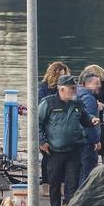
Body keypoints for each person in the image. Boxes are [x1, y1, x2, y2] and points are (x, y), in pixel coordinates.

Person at [38, 74, 100, 206]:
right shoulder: (48, 103)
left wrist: (91, 120)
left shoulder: (77, 103)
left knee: (72, 182)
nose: (74, 91)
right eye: (71, 88)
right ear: (61, 89)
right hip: (54, 150)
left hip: (74, 149)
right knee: (54, 182)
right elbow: (38, 123)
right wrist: (41, 142)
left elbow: (84, 118)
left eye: (75, 88)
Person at [38, 61, 70, 192]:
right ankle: (47, 185)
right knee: (48, 157)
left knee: (61, 158)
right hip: (47, 128)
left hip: (61, 128)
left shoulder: (66, 91)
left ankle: (59, 186)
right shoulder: (43, 89)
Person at [77, 69, 102, 185]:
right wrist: (96, 140)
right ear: (85, 84)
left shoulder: (75, 95)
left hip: (77, 141)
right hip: (87, 142)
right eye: (96, 83)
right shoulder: (89, 98)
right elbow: (90, 122)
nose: (99, 86)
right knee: (87, 174)